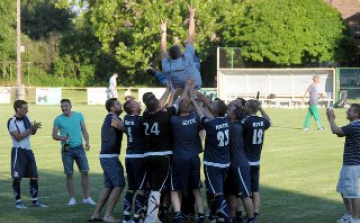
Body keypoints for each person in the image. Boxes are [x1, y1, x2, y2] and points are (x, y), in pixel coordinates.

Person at [190, 96, 232, 223]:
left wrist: (194, 102)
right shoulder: (227, 120)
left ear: (215, 110)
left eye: (213, 104)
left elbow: (201, 115)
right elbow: (208, 115)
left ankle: (227, 218)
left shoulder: (210, 124)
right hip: (225, 163)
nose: (211, 104)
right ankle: (213, 216)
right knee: (212, 190)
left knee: (218, 193)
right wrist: (204, 104)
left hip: (213, 164)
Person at [141, 87, 178, 223]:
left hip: (147, 156)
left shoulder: (145, 115)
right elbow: (175, 105)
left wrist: (169, 90)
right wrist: (173, 93)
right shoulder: (164, 115)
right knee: (157, 189)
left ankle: (152, 216)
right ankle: (150, 218)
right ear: (158, 105)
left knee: (152, 187)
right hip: (162, 156)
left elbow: (158, 104)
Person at [169, 80, 204, 223]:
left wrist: (174, 95)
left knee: (175, 188)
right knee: (196, 189)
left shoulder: (173, 120)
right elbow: (201, 113)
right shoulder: (195, 117)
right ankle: (201, 215)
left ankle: (177, 215)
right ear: (190, 108)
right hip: (194, 157)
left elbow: (171, 108)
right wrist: (192, 96)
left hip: (179, 158)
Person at [52, 99, 96, 206]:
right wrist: (62, 138)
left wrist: (87, 142)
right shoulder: (58, 119)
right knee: (69, 174)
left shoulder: (79, 115)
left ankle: (86, 197)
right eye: (62, 106)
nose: (64, 108)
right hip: (67, 148)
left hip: (79, 147)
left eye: (66, 106)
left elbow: (84, 130)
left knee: (85, 171)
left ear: (71, 106)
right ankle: (72, 199)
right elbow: (54, 135)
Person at [90, 98, 126, 222]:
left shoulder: (112, 117)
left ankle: (96, 214)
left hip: (106, 156)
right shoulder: (112, 118)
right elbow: (125, 128)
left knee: (109, 185)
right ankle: (108, 215)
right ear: (111, 108)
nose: (120, 105)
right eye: (117, 104)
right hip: (110, 157)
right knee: (119, 183)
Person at [7, 100, 47, 208]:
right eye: (25, 108)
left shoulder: (26, 118)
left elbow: (32, 133)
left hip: (28, 150)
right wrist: (30, 130)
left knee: (34, 176)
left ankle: (35, 201)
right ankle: (18, 202)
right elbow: (18, 137)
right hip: (18, 151)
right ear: (18, 109)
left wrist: (34, 129)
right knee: (17, 178)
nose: (27, 110)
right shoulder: (12, 121)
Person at [327, 105, 360, 223]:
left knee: (352, 191)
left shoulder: (355, 125)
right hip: (349, 164)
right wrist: (332, 120)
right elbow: (340, 133)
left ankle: (356, 219)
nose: (347, 111)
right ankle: (349, 214)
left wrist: (330, 118)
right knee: (343, 189)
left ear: (356, 114)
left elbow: (335, 131)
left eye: (350, 110)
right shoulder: (355, 125)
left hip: (352, 165)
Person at [225, 100, 255, 223]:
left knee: (245, 196)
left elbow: (214, 120)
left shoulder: (234, 127)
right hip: (232, 166)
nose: (227, 112)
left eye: (229, 111)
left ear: (233, 116)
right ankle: (231, 218)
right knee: (231, 195)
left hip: (239, 165)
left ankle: (251, 219)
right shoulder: (234, 125)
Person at [241, 100, 271, 221]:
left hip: (245, 161)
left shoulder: (246, 122)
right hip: (256, 160)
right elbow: (269, 121)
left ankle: (250, 215)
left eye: (246, 106)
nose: (244, 107)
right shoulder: (262, 121)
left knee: (246, 191)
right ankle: (255, 214)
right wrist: (262, 109)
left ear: (249, 108)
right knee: (255, 189)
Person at [160, 5, 202, 90]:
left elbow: (163, 50)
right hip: (195, 88)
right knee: (196, 63)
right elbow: (191, 36)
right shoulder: (187, 58)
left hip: (179, 92)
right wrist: (191, 16)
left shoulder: (167, 67)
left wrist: (164, 31)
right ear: (180, 53)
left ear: (170, 56)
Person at [122, 99, 149, 223]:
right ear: (134, 109)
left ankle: (126, 217)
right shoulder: (140, 121)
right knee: (141, 189)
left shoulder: (126, 118)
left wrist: (138, 107)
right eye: (136, 103)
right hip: (139, 158)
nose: (139, 103)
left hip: (129, 157)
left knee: (131, 188)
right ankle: (137, 219)